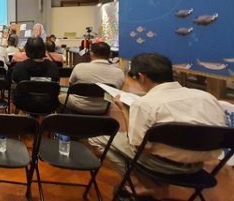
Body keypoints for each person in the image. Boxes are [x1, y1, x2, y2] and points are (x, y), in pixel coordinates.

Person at [90, 53, 226, 200]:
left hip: (162, 164)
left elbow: (137, 144)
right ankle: (155, 186)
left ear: (142, 77)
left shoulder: (145, 104)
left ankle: (149, 185)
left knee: (100, 139)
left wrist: (124, 110)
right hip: (198, 165)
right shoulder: (207, 98)